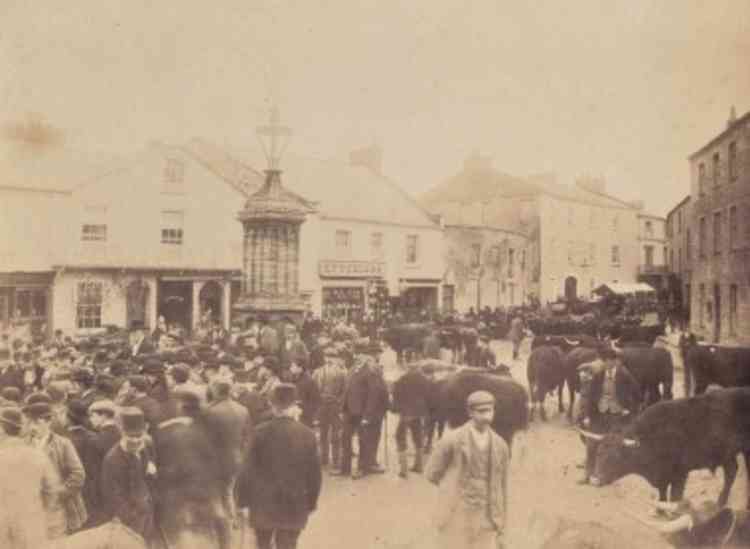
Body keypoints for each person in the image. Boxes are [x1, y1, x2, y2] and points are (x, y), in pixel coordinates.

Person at [241, 383, 322, 549]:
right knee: (288, 544)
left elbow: (247, 469)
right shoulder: (308, 435)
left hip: (262, 502)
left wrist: (243, 501)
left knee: (262, 543)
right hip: (294, 502)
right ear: (294, 406)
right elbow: (314, 475)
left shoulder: (259, 432)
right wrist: (312, 502)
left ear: (272, 405)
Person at [425, 390, 510, 549]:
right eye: (481, 412)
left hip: (487, 515)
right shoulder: (452, 440)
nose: (486, 417)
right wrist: (453, 487)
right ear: (470, 412)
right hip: (457, 514)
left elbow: (502, 487)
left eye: (490, 411)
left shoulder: (501, 446)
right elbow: (431, 473)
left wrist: (502, 522)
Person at [23, 395, 88, 537]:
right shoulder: (24, 444)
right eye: (30, 422)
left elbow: (78, 474)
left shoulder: (63, 444)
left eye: (37, 422)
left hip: (58, 509)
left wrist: (58, 493)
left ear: (48, 422)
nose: (32, 427)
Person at [576, 346, 640, 485]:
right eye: (604, 361)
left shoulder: (624, 375)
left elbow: (637, 393)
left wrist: (629, 409)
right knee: (591, 444)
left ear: (614, 361)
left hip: (617, 416)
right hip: (599, 413)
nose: (606, 364)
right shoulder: (598, 375)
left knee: (610, 447)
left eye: (608, 361)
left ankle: (604, 476)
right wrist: (587, 415)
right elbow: (591, 396)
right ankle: (587, 475)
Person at [0, 406, 62, 548]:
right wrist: (42, 509)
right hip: (32, 520)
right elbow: (52, 489)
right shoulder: (38, 455)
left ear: (2, 429)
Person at [101, 407, 158, 542]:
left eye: (139, 436)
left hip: (148, 511)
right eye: (131, 436)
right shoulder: (112, 459)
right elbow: (112, 496)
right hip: (130, 519)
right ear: (122, 433)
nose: (136, 440)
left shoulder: (147, 445)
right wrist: (131, 516)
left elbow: (151, 474)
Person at [203, 377, 251, 526]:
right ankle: (231, 519)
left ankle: (225, 521)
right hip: (236, 457)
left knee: (219, 491)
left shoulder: (209, 411)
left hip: (215, 459)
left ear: (215, 391)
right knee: (228, 489)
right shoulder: (242, 409)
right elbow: (247, 436)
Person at [392, 361, 431, 478]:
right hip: (419, 413)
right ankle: (419, 466)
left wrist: (394, 409)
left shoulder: (402, 379)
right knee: (418, 437)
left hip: (406, 413)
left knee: (400, 437)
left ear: (408, 368)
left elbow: (396, 395)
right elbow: (429, 396)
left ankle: (403, 470)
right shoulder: (424, 380)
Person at [312, 347, 347, 469]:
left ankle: (336, 459)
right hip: (322, 406)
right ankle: (324, 458)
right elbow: (314, 390)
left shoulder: (342, 373)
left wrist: (339, 403)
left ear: (336, 358)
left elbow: (344, 391)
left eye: (332, 356)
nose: (329, 359)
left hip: (334, 406)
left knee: (336, 434)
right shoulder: (317, 372)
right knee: (322, 432)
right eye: (327, 356)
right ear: (324, 357)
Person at [360, 357, 389, 476]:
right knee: (370, 440)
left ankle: (371, 463)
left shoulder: (377, 380)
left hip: (375, 415)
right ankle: (368, 465)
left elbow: (382, 396)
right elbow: (373, 398)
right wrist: (367, 416)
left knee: (371, 439)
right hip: (374, 416)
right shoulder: (377, 381)